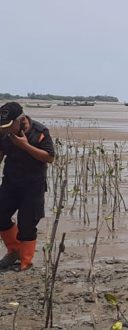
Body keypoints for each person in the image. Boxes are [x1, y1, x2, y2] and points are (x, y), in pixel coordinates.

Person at [0, 102, 55, 271]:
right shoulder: (3, 133)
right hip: (11, 182)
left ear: (21, 119)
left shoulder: (39, 132)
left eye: (9, 125)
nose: (5, 129)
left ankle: (26, 261)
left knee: (27, 224)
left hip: (33, 185)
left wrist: (25, 146)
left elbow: (49, 157)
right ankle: (14, 250)